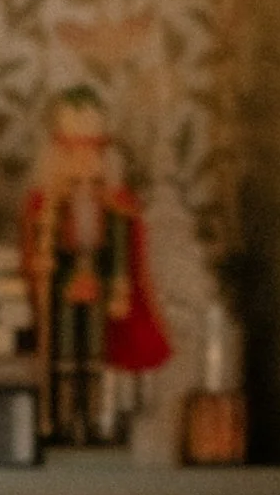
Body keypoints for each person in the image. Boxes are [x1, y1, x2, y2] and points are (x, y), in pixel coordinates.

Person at [20, 87, 171, 451]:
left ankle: (91, 420)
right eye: (73, 151)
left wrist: (118, 287)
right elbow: (35, 247)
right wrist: (41, 263)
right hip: (62, 294)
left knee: (95, 359)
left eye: (92, 151)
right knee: (64, 358)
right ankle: (59, 419)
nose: (83, 162)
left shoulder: (116, 208)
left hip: (98, 291)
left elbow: (123, 254)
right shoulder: (47, 204)